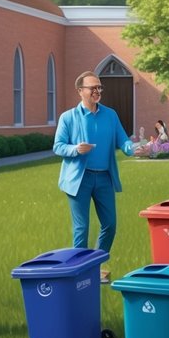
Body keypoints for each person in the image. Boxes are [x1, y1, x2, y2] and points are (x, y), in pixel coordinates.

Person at [54, 70, 136, 284]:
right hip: (79, 179)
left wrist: (134, 149)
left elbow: (123, 140)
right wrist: (75, 150)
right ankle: (79, 273)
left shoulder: (110, 115)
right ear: (80, 91)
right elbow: (58, 146)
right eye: (93, 88)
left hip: (104, 178)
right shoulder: (68, 117)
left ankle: (95, 265)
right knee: (81, 228)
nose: (97, 91)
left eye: (99, 88)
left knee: (110, 224)